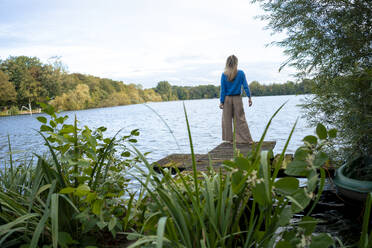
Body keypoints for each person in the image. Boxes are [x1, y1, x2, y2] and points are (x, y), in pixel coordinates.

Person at [219, 55, 253, 144]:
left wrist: (221, 102)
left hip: (227, 99)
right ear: (236, 63)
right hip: (237, 98)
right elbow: (245, 86)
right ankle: (247, 140)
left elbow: (223, 90)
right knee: (240, 119)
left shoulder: (224, 75)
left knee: (227, 120)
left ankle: (230, 140)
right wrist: (249, 97)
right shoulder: (241, 73)